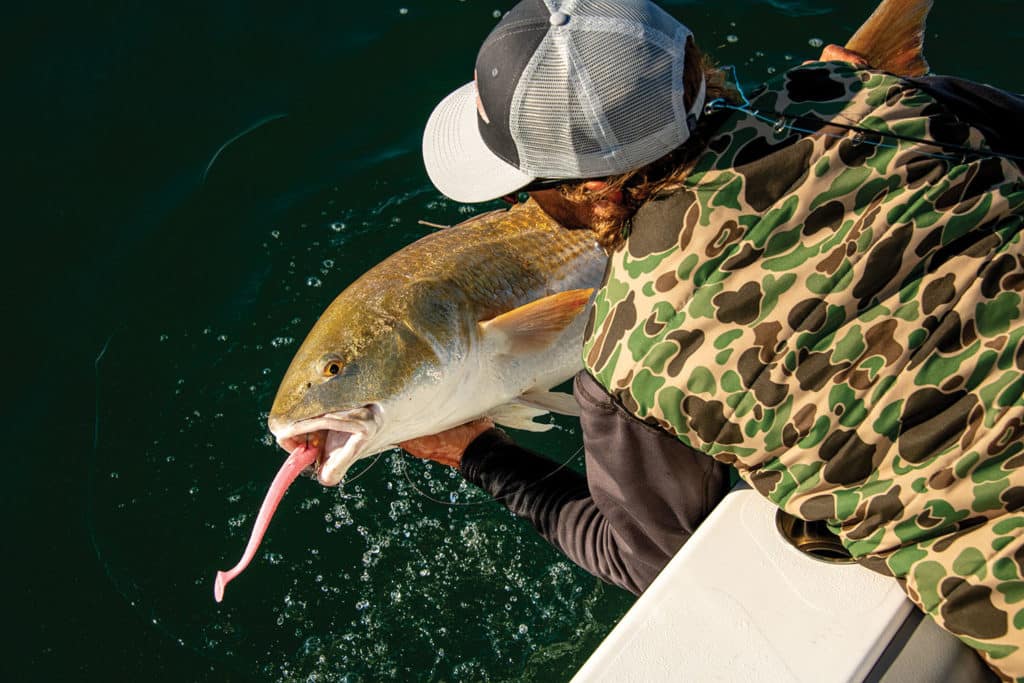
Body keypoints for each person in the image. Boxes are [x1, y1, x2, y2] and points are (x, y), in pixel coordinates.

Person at [406, 0, 1024, 678]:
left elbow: (643, 555)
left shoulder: (627, 360)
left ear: (586, 191)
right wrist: (856, 102)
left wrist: (479, 454)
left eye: (528, 190)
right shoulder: (882, 102)